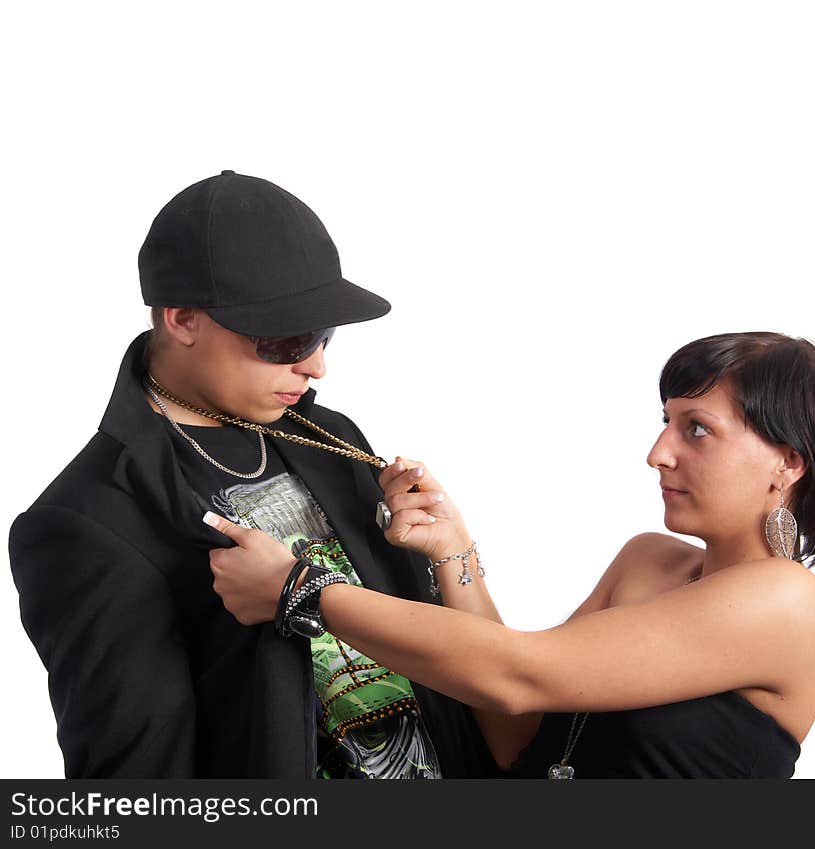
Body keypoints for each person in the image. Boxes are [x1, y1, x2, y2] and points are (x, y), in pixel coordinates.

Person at [8, 169, 497, 779]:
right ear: (183, 319)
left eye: (324, 334)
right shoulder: (86, 519)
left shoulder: (333, 438)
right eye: (287, 340)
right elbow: (136, 782)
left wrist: (442, 554)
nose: (317, 366)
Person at [207, 331, 815, 778]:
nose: (658, 452)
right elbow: (516, 725)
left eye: (697, 428)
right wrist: (452, 549)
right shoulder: (646, 561)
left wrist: (304, 591)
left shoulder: (790, 602)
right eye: (665, 421)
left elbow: (516, 674)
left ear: (787, 463)